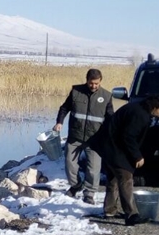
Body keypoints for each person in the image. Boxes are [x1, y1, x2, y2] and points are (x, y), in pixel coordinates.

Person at [91, 95, 159, 226]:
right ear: (156, 107)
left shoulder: (137, 108)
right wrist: (137, 156)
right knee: (126, 178)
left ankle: (109, 210)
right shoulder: (140, 115)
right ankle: (131, 215)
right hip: (114, 147)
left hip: (107, 145)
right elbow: (129, 137)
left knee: (113, 179)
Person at [53, 68, 113, 204]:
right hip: (75, 136)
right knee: (70, 165)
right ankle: (76, 185)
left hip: (95, 140)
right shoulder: (76, 92)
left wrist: (110, 135)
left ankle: (89, 194)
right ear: (87, 81)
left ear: (100, 82)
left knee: (93, 169)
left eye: (96, 83)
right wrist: (59, 122)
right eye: (91, 83)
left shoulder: (107, 97)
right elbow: (64, 108)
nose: (94, 86)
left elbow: (110, 119)